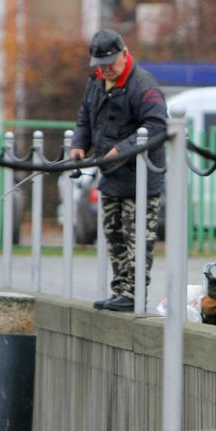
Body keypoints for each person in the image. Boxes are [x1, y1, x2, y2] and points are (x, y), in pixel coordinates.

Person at [71, 29, 168, 312]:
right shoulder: (97, 82)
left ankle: (134, 293)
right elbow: (85, 117)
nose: (106, 70)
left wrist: (120, 150)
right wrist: (79, 145)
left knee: (137, 237)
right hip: (111, 177)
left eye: (111, 63)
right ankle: (121, 290)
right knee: (113, 234)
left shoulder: (144, 86)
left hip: (141, 179)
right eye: (100, 65)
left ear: (125, 54)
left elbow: (157, 126)